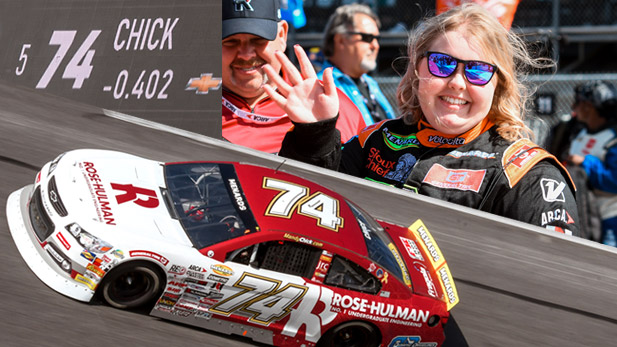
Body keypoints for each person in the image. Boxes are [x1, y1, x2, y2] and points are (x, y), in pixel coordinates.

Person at [262, 4, 580, 236]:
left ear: (499, 85)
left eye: (478, 70)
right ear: (418, 72)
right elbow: (303, 219)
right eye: (442, 64)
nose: (457, 82)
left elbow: (558, 286)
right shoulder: (374, 140)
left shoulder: (526, 171)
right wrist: (314, 134)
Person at [221, 0, 366, 154]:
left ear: (282, 35)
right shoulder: (196, 112)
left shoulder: (331, 105)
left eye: (259, 39)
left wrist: (320, 135)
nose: (246, 54)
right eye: (231, 41)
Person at [319, 4, 397, 125]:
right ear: (340, 40)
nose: (375, 45)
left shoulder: (370, 83)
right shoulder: (320, 86)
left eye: (377, 38)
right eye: (367, 38)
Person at [567, 81, 617, 245]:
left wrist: (585, 162)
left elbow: (614, 180)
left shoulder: (612, 137)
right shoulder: (580, 133)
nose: (573, 106)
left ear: (590, 106)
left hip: (609, 220)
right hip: (583, 216)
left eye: (578, 102)